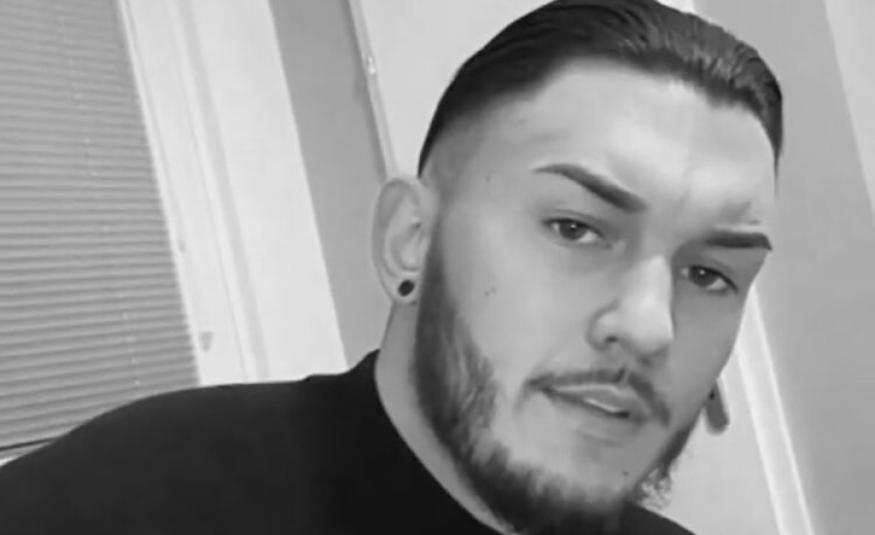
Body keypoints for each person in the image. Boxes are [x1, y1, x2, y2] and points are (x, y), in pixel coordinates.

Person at [0, 0, 783, 533]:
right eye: (575, 228)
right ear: (409, 239)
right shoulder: (122, 499)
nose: (648, 325)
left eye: (708, 274)